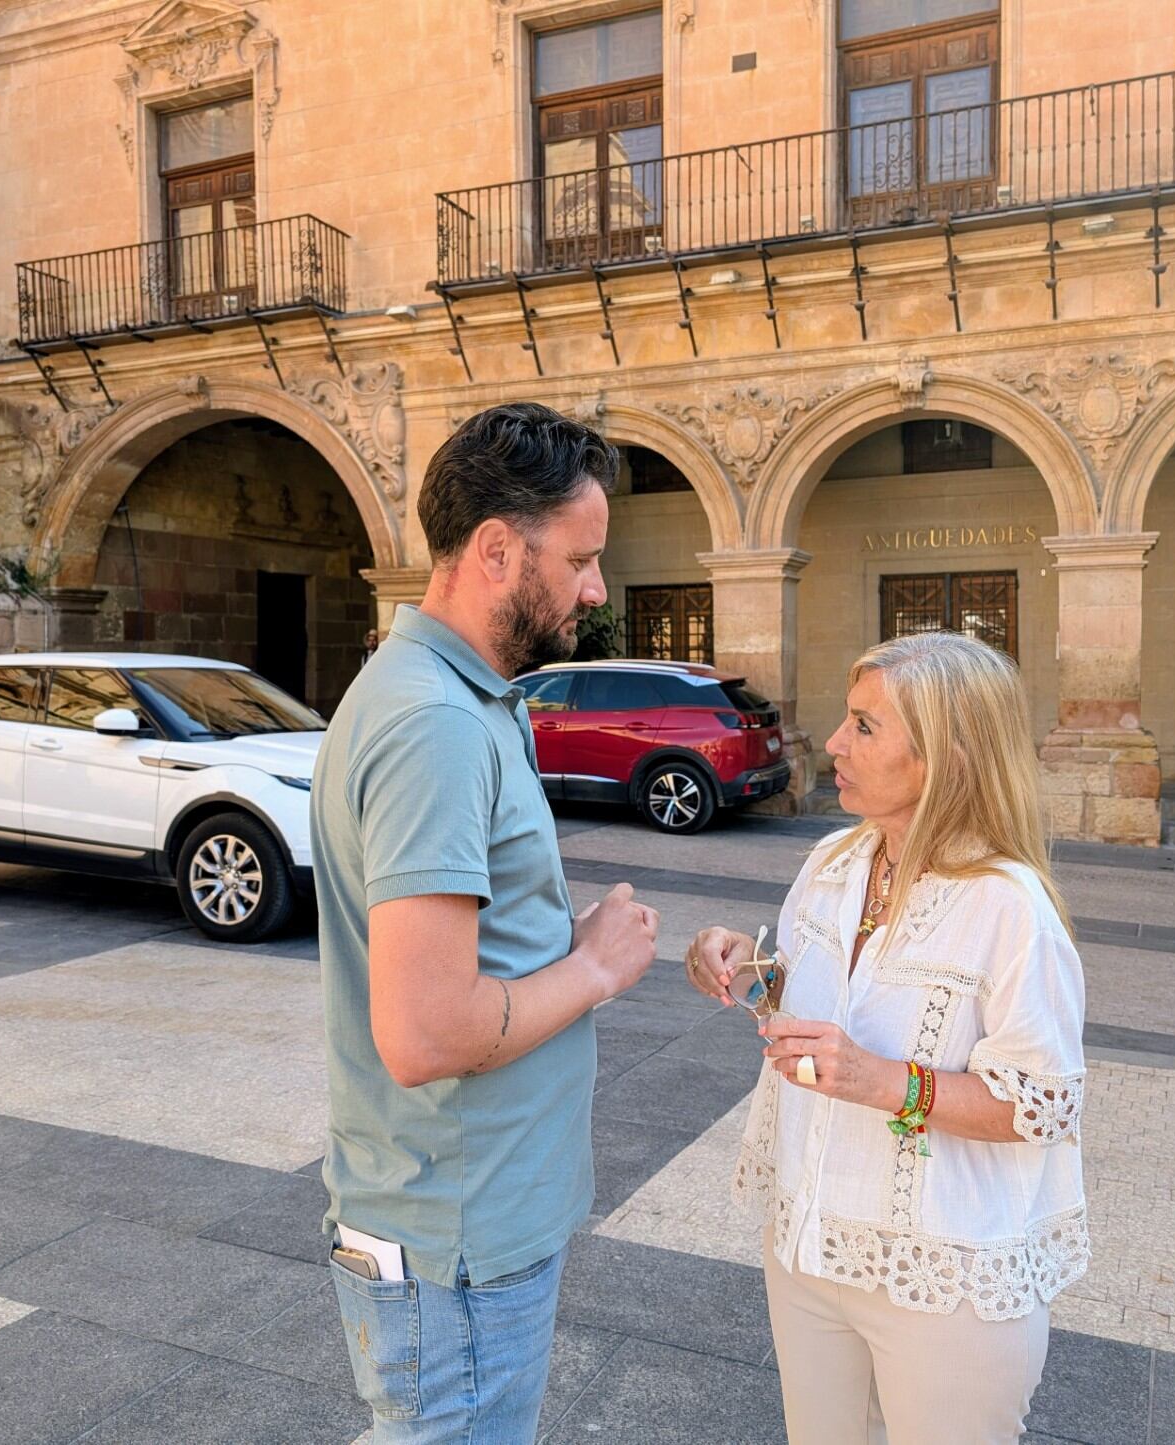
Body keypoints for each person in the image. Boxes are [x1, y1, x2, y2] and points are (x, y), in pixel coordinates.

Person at [312, 402, 660, 1443]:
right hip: (457, 1240)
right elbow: (424, 1034)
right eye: (583, 560)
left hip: (448, 1225)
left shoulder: (454, 697)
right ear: (498, 550)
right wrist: (594, 967)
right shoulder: (435, 723)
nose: (598, 588)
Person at [685, 631, 1088, 1445]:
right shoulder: (834, 863)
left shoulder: (1010, 909)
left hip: (945, 1279)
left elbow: (1042, 1105)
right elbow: (816, 1003)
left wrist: (883, 1081)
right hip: (808, 1245)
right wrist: (748, 972)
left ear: (949, 755)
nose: (833, 741)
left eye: (866, 726)